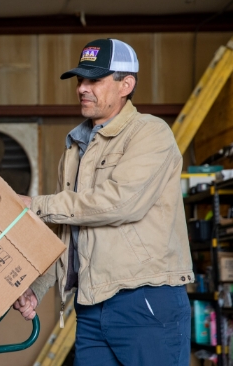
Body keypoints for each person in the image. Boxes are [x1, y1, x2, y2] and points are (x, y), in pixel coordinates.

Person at [12, 38, 193, 366]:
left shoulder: (150, 134)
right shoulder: (74, 148)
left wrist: (35, 205)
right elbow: (65, 233)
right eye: (80, 80)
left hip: (144, 301)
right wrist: (35, 289)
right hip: (91, 307)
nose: (82, 88)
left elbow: (121, 203)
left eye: (94, 80)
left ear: (127, 84)